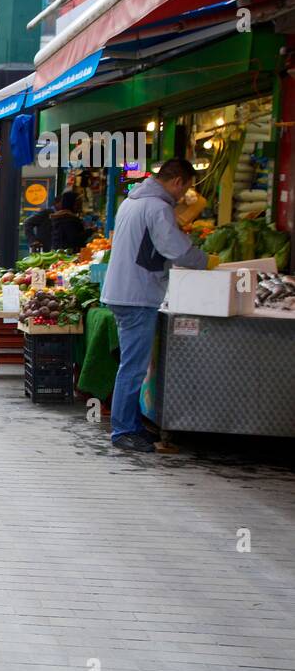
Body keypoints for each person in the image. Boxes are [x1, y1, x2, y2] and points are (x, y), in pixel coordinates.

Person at [101, 158, 210, 452]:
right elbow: (174, 248)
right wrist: (206, 261)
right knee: (133, 367)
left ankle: (131, 425)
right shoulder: (157, 207)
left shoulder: (131, 202)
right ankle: (124, 430)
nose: (184, 194)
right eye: (186, 187)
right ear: (178, 181)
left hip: (123, 291)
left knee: (132, 365)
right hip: (137, 295)